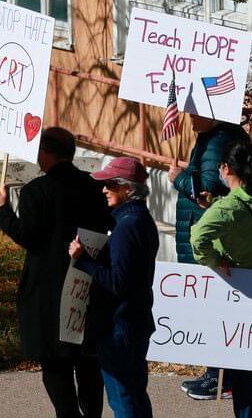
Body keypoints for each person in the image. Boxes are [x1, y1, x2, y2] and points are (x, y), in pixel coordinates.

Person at [0, 127, 111, 418]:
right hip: (86, 279)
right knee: (86, 360)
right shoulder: (94, 187)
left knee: (55, 363)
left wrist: (2, 212)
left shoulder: (36, 192)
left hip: (48, 288)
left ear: (46, 153)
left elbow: (30, 237)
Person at [69, 157, 159, 418]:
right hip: (134, 321)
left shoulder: (127, 226)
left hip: (119, 325)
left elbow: (118, 282)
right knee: (134, 394)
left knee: (123, 398)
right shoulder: (140, 219)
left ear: (127, 188)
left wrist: (82, 260)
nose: (104, 189)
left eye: (110, 184)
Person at [191, 141, 252, 418]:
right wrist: (213, 205)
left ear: (226, 168)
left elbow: (197, 239)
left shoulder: (228, 207)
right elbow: (239, 223)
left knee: (241, 372)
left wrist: (217, 260)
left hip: (238, 291)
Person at [169, 114, 250, 399]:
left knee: (214, 308)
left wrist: (178, 179)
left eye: (194, 112)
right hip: (207, 231)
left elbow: (206, 189)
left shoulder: (217, 142)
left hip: (206, 234)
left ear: (211, 112)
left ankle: (220, 377)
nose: (189, 118)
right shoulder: (213, 138)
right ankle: (219, 374)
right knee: (214, 308)